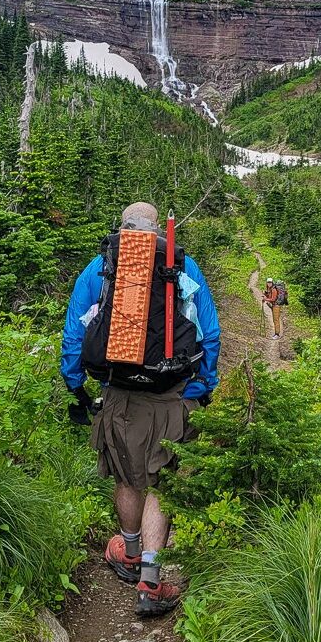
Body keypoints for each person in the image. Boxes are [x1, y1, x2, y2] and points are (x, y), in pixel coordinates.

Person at [61, 201, 221, 617]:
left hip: (118, 390)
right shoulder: (182, 267)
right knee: (161, 480)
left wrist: (76, 389)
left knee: (126, 473)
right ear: (157, 232)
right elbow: (210, 333)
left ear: (122, 229)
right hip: (171, 392)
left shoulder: (100, 268)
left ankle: (128, 553)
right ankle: (151, 581)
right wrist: (201, 388)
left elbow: (75, 336)